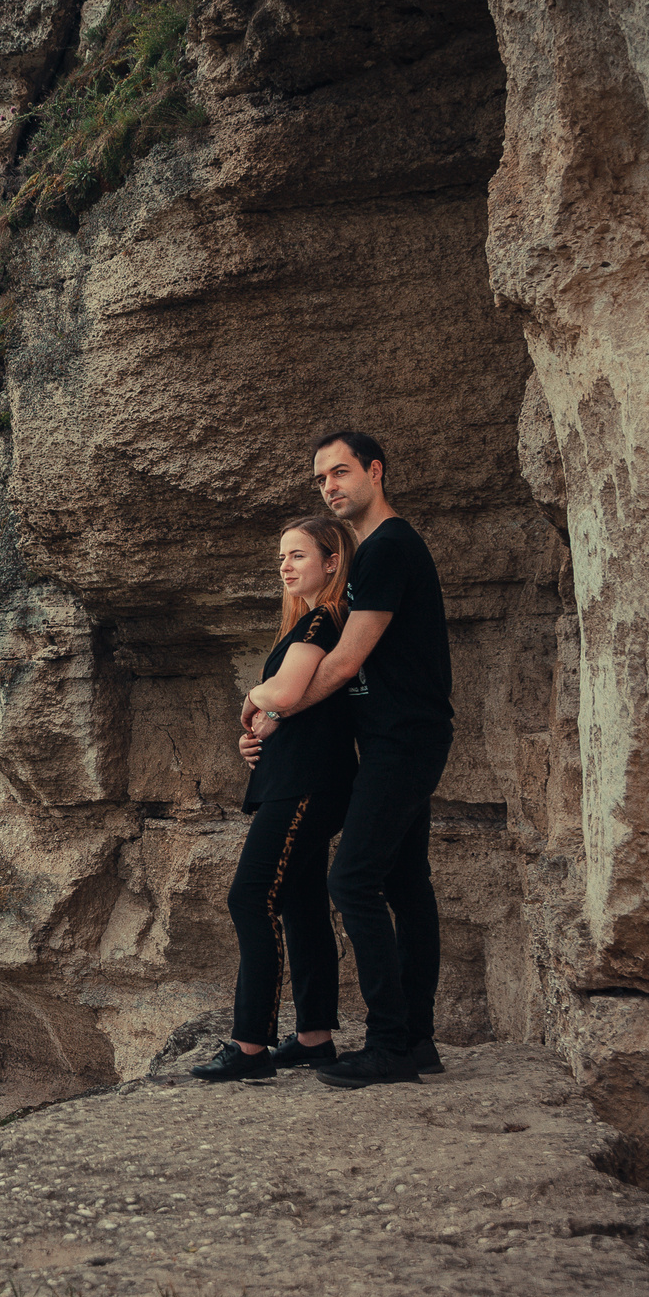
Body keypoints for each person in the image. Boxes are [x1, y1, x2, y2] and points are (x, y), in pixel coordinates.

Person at [240, 430, 454, 1088]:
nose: (330, 486)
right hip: (393, 738)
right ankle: (416, 1039)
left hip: (403, 739)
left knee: (352, 879)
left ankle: (390, 1042)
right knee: (403, 882)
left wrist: (272, 712)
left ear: (376, 472)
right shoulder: (374, 555)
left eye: (341, 472)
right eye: (321, 479)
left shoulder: (388, 547)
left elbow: (345, 661)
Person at [192, 515, 358, 1082]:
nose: (284, 567)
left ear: (331, 562)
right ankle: (314, 1037)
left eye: (298, 556)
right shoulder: (311, 624)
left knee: (250, 897)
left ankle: (250, 1047)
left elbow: (285, 693)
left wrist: (253, 699)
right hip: (299, 779)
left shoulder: (322, 621)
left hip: (307, 786)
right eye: (281, 558)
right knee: (301, 903)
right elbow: (291, 706)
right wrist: (258, 730)